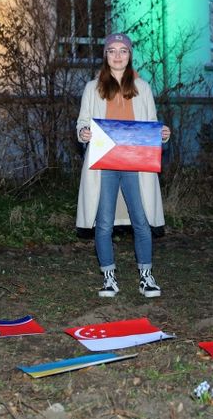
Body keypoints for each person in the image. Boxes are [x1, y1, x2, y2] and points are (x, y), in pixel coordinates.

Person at [76, 33, 171, 298]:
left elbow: (152, 123)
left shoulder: (144, 88)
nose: (118, 56)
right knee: (103, 222)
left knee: (141, 220)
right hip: (104, 163)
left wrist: (162, 134)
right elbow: (82, 122)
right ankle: (109, 278)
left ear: (130, 55)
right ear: (105, 55)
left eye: (123, 51)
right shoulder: (92, 88)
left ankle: (146, 277)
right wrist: (83, 133)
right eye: (112, 51)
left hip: (135, 164)